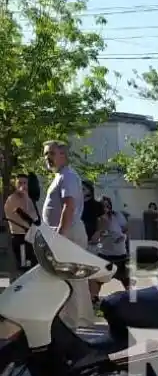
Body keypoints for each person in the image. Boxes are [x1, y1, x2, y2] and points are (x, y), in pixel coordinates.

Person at [41, 140, 94, 330]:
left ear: (63, 155)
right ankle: (76, 321)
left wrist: (60, 235)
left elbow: (68, 205)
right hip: (64, 233)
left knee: (72, 279)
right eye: (46, 154)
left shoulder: (68, 176)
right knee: (68, 278)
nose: (47, 157)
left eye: (51, 153)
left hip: (68, 233)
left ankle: (75, 324)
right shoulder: (60, 176)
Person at [89, 197, 130, 303]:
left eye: (108, 205)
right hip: (105, 254)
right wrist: (102, 231)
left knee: (126, 279)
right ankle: (94, 299)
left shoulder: (117, 215)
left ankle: (132, 299)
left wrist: (123, 236)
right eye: (103, 206)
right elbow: (94, 240)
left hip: (121, 253)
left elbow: (125, 229)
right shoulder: (97, 219)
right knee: (97, 279)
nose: (106, 208)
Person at [4, 174, 39, 274]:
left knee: (31, 265)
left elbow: (35, 216)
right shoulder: (13, 199)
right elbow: (25, 215)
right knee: (24, 267)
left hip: (29, 237)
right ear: (15, 184)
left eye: (25, 183)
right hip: (19, 237)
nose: (23, 185)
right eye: (20, 183)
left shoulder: (27, 198)